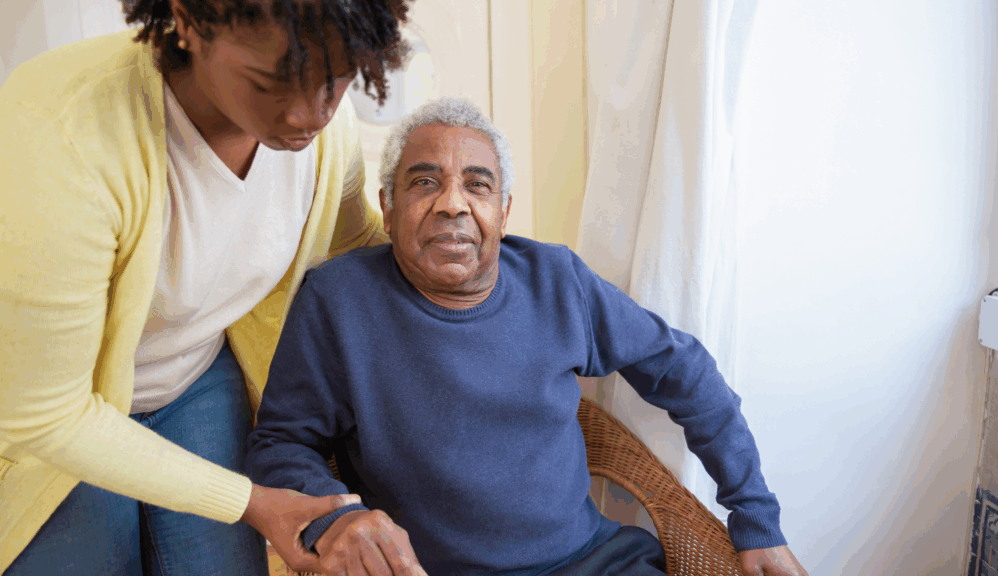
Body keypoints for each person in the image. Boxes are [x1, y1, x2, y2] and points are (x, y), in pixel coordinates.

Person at [245, 96, 810, 576]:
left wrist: (755, 516)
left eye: (477, 185)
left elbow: (684, 370)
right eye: (424, 182)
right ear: (387, 209)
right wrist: (337, 520)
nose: (453, 203)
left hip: (592, 562)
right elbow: (279, 444)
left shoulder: (556, 280)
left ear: (503, 210)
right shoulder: (338, 300)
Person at [0, 1, 418, 574]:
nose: (310, 114)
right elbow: (46, 415)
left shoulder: (325, 136)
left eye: (337, 80)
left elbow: (355, 243)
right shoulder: (61, 133)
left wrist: (497, 274)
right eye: (270, 83)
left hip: (194, 375)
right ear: (189, 21)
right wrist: (250, 503)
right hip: (49, 412)